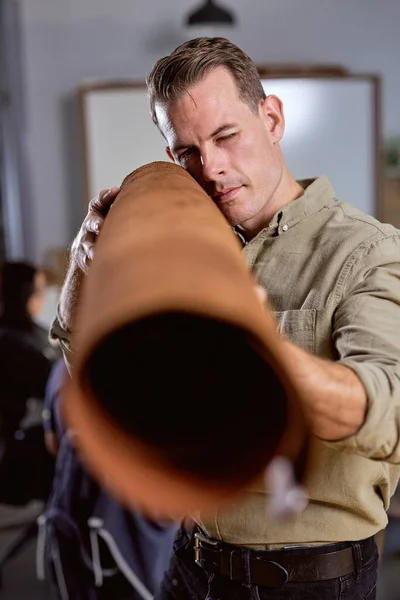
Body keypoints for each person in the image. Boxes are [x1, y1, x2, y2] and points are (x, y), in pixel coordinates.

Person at [50, 37, 400, 600]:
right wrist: (82, 268)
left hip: (308, 582)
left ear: (272, 117)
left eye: (225, 136)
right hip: (191, 563)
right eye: (187, 151)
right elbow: (90, 364)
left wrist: (267, 353)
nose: (210, 167)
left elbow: (388, 409)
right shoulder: (193, 245)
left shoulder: (366, 251)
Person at [0, 260, 59, 505]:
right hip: (20, 448)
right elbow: (50, 381)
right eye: (38, 291)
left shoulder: (31, 333)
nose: (43, 298)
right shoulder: (11, 343)